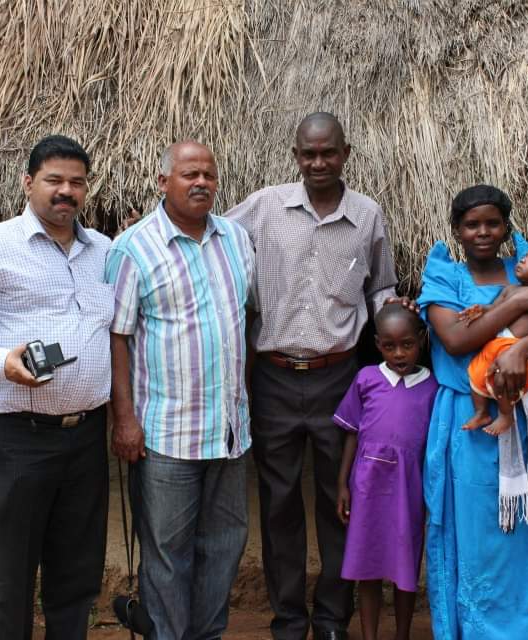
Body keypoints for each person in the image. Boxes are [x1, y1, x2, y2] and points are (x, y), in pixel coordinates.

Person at [227, 112, 406, 640]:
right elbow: (212, 240)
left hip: (339, 378)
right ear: (296, 156)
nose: (319, 162)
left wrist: (398, 312)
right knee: (278, 501)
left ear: (346, 153)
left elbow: (381, 287)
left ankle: (331, 618)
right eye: (309, 153)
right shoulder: (265, 206)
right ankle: (288, 619)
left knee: (340, 497)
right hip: (274, 377)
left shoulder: (367, 215)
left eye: (329, 152)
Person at [0, 135, 112, 640]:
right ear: (29, 183)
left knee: (76, 572)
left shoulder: (105, 252)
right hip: (20, 437)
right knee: (12, 574)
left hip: (87, 436)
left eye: (76, 182)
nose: (66, 191)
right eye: (54, 180)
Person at [418, 184, 528, 639]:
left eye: (493, 223)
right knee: (481, 533)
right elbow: (456, 340)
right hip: (471, 420)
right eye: (472, 224)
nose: (483, 232)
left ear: (507, 228)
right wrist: (517, 301)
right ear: (456, 230)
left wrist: (521, 350)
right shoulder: (445, 278)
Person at [105, 141, 255, 639]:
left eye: (209, 174)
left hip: (229, 433)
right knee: (168, 555)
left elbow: (246, 319)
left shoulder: (236, 238)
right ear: (163, 182)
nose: (201, 182)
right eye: (190, 174)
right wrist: (124, 420)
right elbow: (117, 336)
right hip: (166, 435)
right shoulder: (133, 248)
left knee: (225, 546)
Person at [333, 305, 437, 640]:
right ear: (378, 344)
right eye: (389, 346)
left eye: (407, 344)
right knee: (368, 565)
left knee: (405, 565)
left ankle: (402, 635)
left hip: (409, 488)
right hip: (367, 486)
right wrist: (343, 484)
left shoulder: (432, 387)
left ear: (421, 340)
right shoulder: (366, 378)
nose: (399, 353)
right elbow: (352, 432)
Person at [459, 242, 528, 435]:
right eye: (525, 256)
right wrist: (481, 309)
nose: (523, 259)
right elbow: (495, 309)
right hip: (499, 344)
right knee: (474, 373)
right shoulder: (510, 290)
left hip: (525, 351)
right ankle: (482, 412)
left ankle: (506, 415)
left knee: (503, 378)